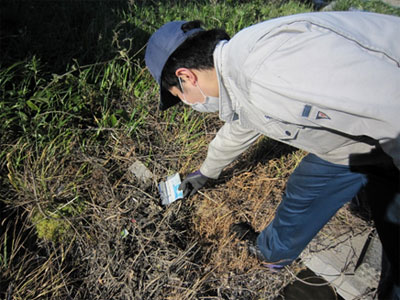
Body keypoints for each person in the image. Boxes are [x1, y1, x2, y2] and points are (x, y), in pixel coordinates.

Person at [145, 11, 400, 299]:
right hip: (358, 144)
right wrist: (206, 172)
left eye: (179, 98)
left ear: (186, 77)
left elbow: (391, 107)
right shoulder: (240, 76)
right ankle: (273, 253)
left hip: (390, 131)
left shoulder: (270, 69)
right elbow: (239, 128)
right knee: (306, 186)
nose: (188, 104)